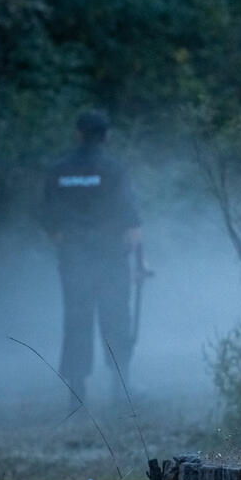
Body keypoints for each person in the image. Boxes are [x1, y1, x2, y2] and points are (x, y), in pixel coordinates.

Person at [41, 109, 145, 407]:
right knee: (116, 320)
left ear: (77, 134)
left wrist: (65, 246)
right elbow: (131, 221)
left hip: (73, 259)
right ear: (106, 137)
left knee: (76, 320)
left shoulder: (59, 170)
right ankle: (121, 388)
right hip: (111, 258)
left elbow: (48, 217)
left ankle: (77, 393)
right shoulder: (115, 170)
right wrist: (139, 263)